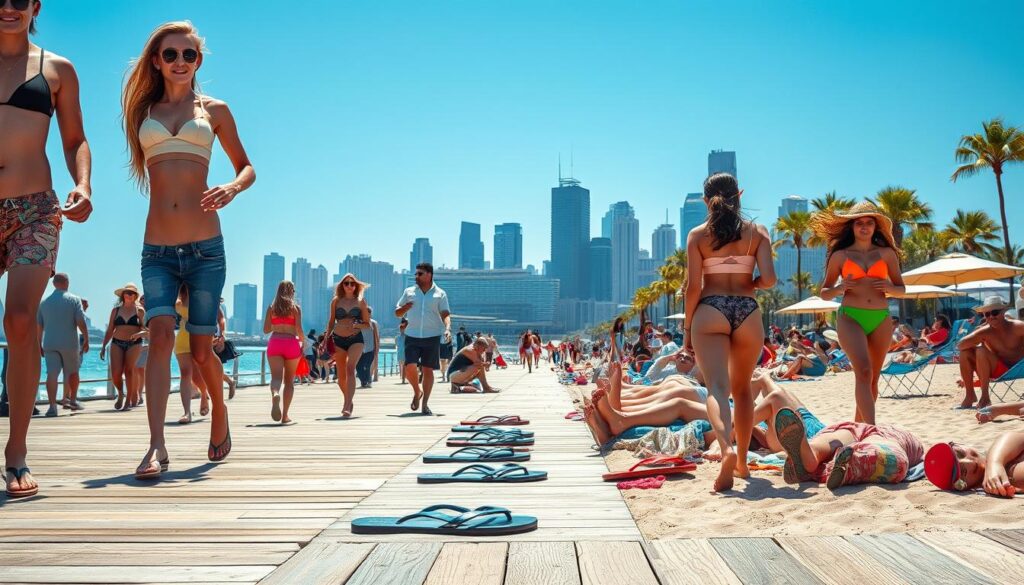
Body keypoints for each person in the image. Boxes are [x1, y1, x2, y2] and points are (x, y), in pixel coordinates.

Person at [123, 21, 255, 479]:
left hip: (205, 248)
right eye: (171, 54)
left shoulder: (215, 110)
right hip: (156, 248)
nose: (180, 61)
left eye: (189, 55)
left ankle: (218, 410)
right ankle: (156, 445)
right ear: (156, 61)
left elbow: (247, 167)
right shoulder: (142, 111)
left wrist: (232, 188)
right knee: (158, 337)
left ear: (198, 61)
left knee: (201, 352)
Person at [2, 0, 93, 499]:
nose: (8, 8)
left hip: (34, 208)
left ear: (35, 5)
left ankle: (16, 453)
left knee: (19, 320)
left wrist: (84, 185)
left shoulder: (56, 69)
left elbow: (75, 138)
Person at [684, 172, 776, 492]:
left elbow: (693, 287)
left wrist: (686, 330)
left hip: (710, 310)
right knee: (743, 390)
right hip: (747, 311)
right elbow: (769, 280)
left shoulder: (697, 235)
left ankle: (726, 449)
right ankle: (742, 464)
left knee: (716, 390)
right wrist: (748, 284)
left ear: (706, 201)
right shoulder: (757, 232)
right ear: (740, 193)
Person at [814, 201, 904, 425]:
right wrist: (838, 289)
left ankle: (858, 427)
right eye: (859, 223)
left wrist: (891, 289)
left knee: (872, 379)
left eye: (869, 223)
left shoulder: (886, 254)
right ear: (852, 227)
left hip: (881, 318)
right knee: (863, 371)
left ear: (875, 227)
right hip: (851, 317)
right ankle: (872, 429)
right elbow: (824, 293)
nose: (864, 227)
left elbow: (901, 288)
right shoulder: (840, 256)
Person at [772, 409, 924, 490]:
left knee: (826, 443)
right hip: (887, 435)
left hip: (847, 429)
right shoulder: (905, 437)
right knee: (891, 460)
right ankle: (852, 463)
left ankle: (812, 454)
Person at [395, 262, 450, 415]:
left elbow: (445, 314)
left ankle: (425, 404)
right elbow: (397, 313)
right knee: (409, 366)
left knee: (428, 369)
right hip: (412, 334)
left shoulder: (440, 293)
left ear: (429, 275)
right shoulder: (409, 291)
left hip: (432, 336)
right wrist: (405, 308)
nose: (416, 276)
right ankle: (416, 391)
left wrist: (447, 329)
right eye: (416, 274)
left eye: (420, 274)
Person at [956, 296, 1024, 409]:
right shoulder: (985, 331)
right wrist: (978, 333)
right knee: (965, 352)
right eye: (987, 314)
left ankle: (985, 396)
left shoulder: (1017, 327)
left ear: (1003, 312)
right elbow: (960, 345)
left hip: (1018, 368)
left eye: (995, 312)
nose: (991, 316)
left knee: (981, 350)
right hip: (996, 369)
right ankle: (970, 395)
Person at [36, 273, 88, 415]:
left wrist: (38, 343)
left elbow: (39, 326)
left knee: (52, 373)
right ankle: (72, 400)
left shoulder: (44, 302)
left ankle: (52, 407)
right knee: (73, 371)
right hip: (69, 342)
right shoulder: (74, 299)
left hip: (50, 342)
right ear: (67, 282)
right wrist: (87, 338)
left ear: (54, 284)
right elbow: (80, 321)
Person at [925, 432, 1024, 498]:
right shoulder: (1007, 476)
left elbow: (1015, 437)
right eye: (963, 472)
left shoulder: (995, 454)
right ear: (962, 486)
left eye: (961, 453)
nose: (970, 463)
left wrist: (995, 463)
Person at [325, 274, 369, 417]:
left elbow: (367, 324)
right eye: (346, 283)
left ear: (356, 286)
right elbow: (331, 322)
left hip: (355, 338)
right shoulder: (335, 301)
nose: (349, 286)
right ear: (342, 285)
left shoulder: (361, 302)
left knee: (351, 369)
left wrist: (358, 324)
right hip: (338, 339)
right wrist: (326, 338)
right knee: (341, 377)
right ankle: (348, 400)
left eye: (352, 283)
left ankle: (347, 405)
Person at [99, 283, 146, 411]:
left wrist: (140, 333)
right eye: (127, 293)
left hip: (134, 343)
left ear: (135, 296)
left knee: (129, 371)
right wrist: (103, 346)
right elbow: (110, 329)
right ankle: (120, 392)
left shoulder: (140, 310)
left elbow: (146, 328)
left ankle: (128, 400)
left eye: (132, 293)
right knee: (115, 373)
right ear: (123, 295)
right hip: (116, 342)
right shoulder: (116, 310)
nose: (129, 295)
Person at [263, 280, 303, 424]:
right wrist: (304, 342)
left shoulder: (271, 308)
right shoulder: (295, 308)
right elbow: (299, 330)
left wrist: (277, 324)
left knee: (276, 378)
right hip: (291, 343)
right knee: (289, 382)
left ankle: (275, 394)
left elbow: (266, 330)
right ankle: (285, 416)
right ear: (292, 292)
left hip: (275, 343)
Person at [356, 307, 378, 389]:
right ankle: (364, 381)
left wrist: (377, 349)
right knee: (358, 366)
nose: (367, 314)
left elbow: (376, 337)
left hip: (370, 348)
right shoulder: (358, 323)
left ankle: (368, 381)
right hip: (359, 349)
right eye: (365, 312)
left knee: (367, 366)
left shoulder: (373, 323)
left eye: (369, 313)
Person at [396, 318, 408, 384]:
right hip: (402, 353)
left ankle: (403, 378)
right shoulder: (399, 337)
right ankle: (403, 378)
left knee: (404, 366)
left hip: (403, 353)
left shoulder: (400, 337)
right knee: (403, 366)